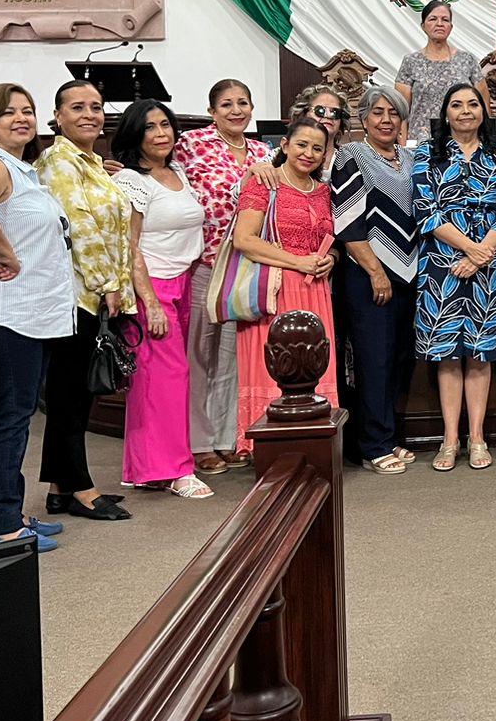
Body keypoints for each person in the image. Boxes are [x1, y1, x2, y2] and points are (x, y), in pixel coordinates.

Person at [0, 84, 73, 552]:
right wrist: (6, 252)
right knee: (8, 418)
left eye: (28, 111)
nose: (21, 118)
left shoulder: (21, 170)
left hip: (30, 311)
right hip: (7, 313)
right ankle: (0, 526)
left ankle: (11, 510)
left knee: (18, 417)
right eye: (8, 113)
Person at [36, 81, 134, 522]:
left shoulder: (90, 162)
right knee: (70, 394)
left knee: (75, 393)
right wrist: (106, 284)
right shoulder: (59, 161)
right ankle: (81, 488)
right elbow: (79, 227)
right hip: (77, 293)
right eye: (77, 107)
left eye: (96, 106)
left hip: (94, 292)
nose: (90, 114)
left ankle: (61, 486)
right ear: (57, 116)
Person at [110, 99, 210, 499]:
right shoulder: (132, 180)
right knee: (165, 379)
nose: (161, 133)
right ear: (136, 134)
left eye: (165, 124)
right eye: (150, 127)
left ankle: (154, 467)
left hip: (184, 280)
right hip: (151, 285)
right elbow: (128, 245)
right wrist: (149, 301)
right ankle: (177, 470)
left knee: (162, 380)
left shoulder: (178, 173)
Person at [413, 84, 496, 470]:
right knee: (448, 356)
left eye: (473, 104)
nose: (466, 111)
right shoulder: (427, 153)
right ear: (446, 112)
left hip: (489, 265)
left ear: (483, 111)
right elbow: (427, 211)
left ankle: (477, 438)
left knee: (480, 353)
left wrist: (482, 252)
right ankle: (449, 439)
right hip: (443, 263)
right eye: (457, 105)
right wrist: (470, 249)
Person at [174, 79, 270, 474]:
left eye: (243, 103)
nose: (236, 111)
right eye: (226, 104)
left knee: (234, 357)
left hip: (246, 267)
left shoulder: (265, 151)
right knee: (200, 356)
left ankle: (228, 437)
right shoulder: (192, 144)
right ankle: (199, 443)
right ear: (212, 111)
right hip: (205, 263)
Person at [234, 118, 340, 443]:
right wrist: (298, 261)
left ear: (325, 155)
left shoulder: (324, 191)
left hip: (316, 291)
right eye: (301, 145)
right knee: (277, 369)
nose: (308, 153)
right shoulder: (264, 183)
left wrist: (330, 260)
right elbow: (244, 240)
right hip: (275, 289)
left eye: (317, 148)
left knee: (315, 365)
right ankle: (268, 447)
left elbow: (331, 240)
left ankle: (316, 442)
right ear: (285, 146)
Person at [332, 87, 419, 475]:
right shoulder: (351, 157)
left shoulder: (411, 159)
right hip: (369, 275)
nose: (386, 119)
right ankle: (372, 445)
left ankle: (388, 435)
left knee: (398, 359)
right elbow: (348, 224)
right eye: (378, 113)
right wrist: (376, 272)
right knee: (372, 361)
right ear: (363, 119)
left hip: (407, 274)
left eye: (394, 114)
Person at [395, 0, 485, 136]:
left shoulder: (468, 59)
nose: (439, 24)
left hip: (462, 140)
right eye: (433, 19)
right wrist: (403, 147)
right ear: (423, 26)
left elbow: (483, 106)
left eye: (445, 20)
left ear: (451, 26)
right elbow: (400, 111)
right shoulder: (410, 62)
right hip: (421, 141)